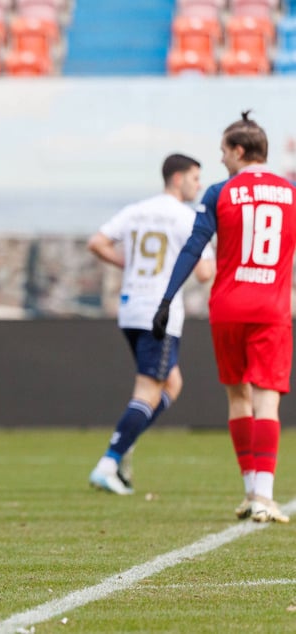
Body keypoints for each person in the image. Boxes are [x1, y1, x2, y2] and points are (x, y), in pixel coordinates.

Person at [153, 111, 296, 523]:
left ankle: (250, 489)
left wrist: (166, 299)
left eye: (222, 152)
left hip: (229, 308)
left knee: (238, 397)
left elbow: (193, 248)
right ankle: (265, 497)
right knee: (267, 399)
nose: (220, 160)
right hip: (271, 309)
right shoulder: (290, 193)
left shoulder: (219, 193)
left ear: (238, 150)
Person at [87, 154, 215, 495]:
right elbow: (203, 272)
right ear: (177, 178)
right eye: (194, 177)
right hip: (160, 311)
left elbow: (96, 242)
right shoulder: (186, 218)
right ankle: (110, 460)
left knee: (171, 383)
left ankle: (126, 442)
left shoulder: (136, 210)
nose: (198, 185)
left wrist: (126, 265)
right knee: (148, 389)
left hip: (130, 309)